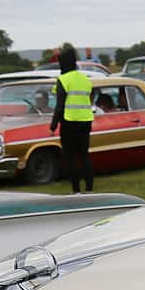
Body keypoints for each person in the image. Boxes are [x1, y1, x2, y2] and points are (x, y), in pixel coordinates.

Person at [51, 45, 95, 192]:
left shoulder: (63, 79)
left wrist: (53, 124)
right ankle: (89, 188)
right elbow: (90, 97)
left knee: (70, 157)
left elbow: (60, 104)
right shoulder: (85, 79)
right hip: (86, 121)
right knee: (84, 155)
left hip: (69, 122)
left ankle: (76, 189)